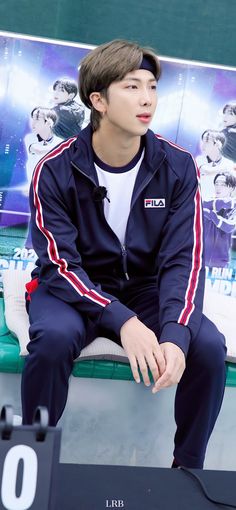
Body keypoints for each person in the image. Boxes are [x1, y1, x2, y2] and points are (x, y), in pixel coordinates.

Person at [22, 39, 226, 470]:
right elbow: (60, 265)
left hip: (146, 291)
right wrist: (123, 321)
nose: (147, 98)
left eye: (151, 86)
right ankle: (31, 464)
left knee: (206, 345)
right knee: (53, 341)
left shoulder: (178, 166)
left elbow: (183, 261)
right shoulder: (55, 168)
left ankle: (187, 473)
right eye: (131, 87)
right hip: (71, 291)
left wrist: (173, 332)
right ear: (97, 100)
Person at [203, 171, 236, 267]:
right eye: (216, 183)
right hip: (201, 258)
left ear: (232, 188)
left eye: (223, 184)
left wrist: (212, 215)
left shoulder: (234, 206)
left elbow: (229, 227)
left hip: (221, 262)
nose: (218, 187)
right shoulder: (207, 201)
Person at [24, 107, 63, 184]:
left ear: (49, 122)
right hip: (34, 185)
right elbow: (39, 150)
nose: (33, 123)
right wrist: (64, 148)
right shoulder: (30, 138)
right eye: (33, 119)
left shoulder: (59, 142)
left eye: (37, 119)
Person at [196, 129, 234, 199]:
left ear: (218, 144)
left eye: (207, 141)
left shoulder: (228, 163)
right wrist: (229, 168)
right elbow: (207, 171)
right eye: (203, 141)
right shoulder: (199, 160)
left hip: (222, 206)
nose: (203, 145)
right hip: (202, 203)